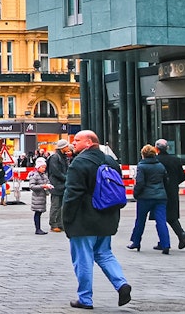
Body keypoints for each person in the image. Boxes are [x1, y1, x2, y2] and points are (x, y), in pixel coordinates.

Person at [64, 129, 132, 310]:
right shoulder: (110, 161)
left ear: (89, 142)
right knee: (105, 253)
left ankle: (85, 298)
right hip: (107, 216)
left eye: (77, 140)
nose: (73, 143)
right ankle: (121, 284)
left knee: (83, 258)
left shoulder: (79, 163)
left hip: (84, 219)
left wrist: (67, 219)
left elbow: (72, 194)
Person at [128, 144, 171, 254]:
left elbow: (140, 183)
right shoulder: (160, 166)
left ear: (143, 154)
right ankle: (166, 244)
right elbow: (166, 181)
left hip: (145, 197)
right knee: (161, 220)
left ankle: (136, 242)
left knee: (140, 220)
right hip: (160, 197)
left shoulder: (141, 166)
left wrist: (136, 194)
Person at [155, 139, 185, 249]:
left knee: (160, 217)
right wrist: (173, 184)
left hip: (159, 191)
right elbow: (182, 176)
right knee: (171, 216)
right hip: (172, 191)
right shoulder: (175, 160)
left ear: (156, 148)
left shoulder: (155, 160)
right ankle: (180, 233)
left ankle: (164, 241)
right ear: (167, 148)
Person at [47, 139, 72, 232]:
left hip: (62, 185)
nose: (68, 147)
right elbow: (56, 171)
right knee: (55, 206)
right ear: (63, 147)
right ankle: (53, 224)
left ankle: (60, 224)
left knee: (62, 206)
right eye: (66, 146)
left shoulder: (63, 157)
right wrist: (66, 178)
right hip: (56, 185)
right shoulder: (55, 157)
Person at [27, 157, 53, 234]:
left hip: (42, 197)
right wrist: (43, 186)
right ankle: (37, 229)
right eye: (42, 167)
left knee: (39, 212)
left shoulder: (44, 175)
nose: (44, 169)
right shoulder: (34, 175)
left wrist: (49, 186)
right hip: (37, 197)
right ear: (38, 167)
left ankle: (38, 228)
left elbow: (47, 182)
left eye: (44, 167)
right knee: (37, 213)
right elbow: (31, 186)